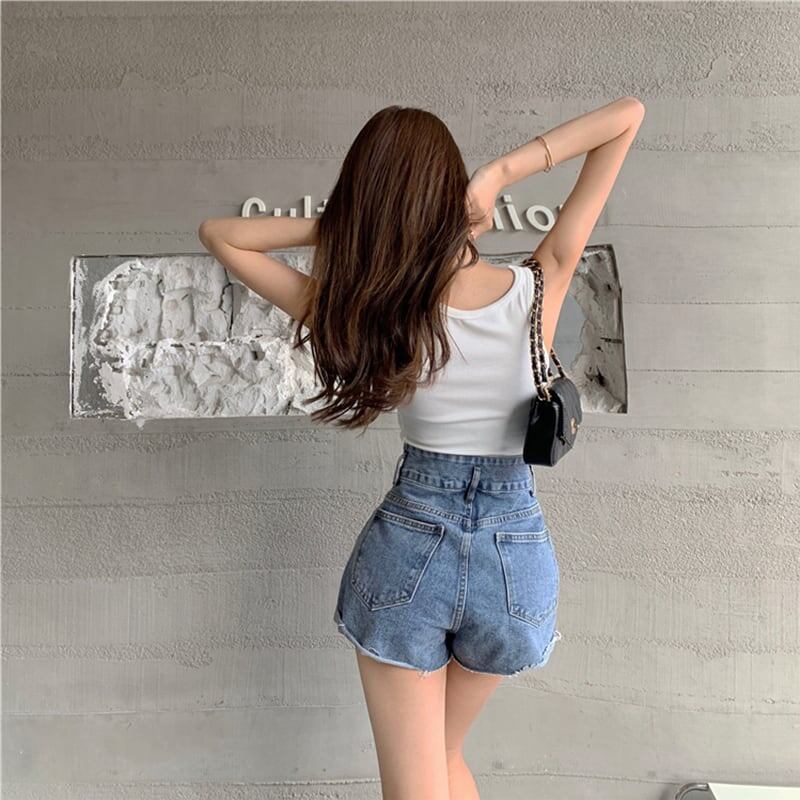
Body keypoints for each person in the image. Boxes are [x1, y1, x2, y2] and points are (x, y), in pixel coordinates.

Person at [198, 97, 645, 800]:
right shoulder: (535, 289)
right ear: (451, 191)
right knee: (441, 758)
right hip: (515, 561)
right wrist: (499, 174)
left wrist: (357, 224)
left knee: (419, 780)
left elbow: (223, 236)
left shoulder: (367, 311)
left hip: (410, 551)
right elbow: (626, 118)